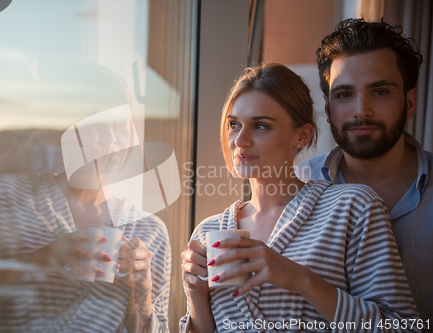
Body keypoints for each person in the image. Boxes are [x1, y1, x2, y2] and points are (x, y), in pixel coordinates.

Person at [180, 64, 420, 332]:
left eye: (260, 126)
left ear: (302, 136)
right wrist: (195, 294)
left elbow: (402, 327)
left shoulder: (352, 208)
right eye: (234, 124)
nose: (240, 140)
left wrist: (302, 280)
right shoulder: (208, 232)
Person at [0, 68, 171, 333]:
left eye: (120, 125)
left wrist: (143, 299)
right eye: (94, 124)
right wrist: (34, 264)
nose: (111, 140)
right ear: (60, 130)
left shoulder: (150, 233)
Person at [297, 18, 433, 324]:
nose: (362, 110)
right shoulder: (295, 185)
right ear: (328, 108)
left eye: (380, 92)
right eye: (344, 94)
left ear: (409, 103)